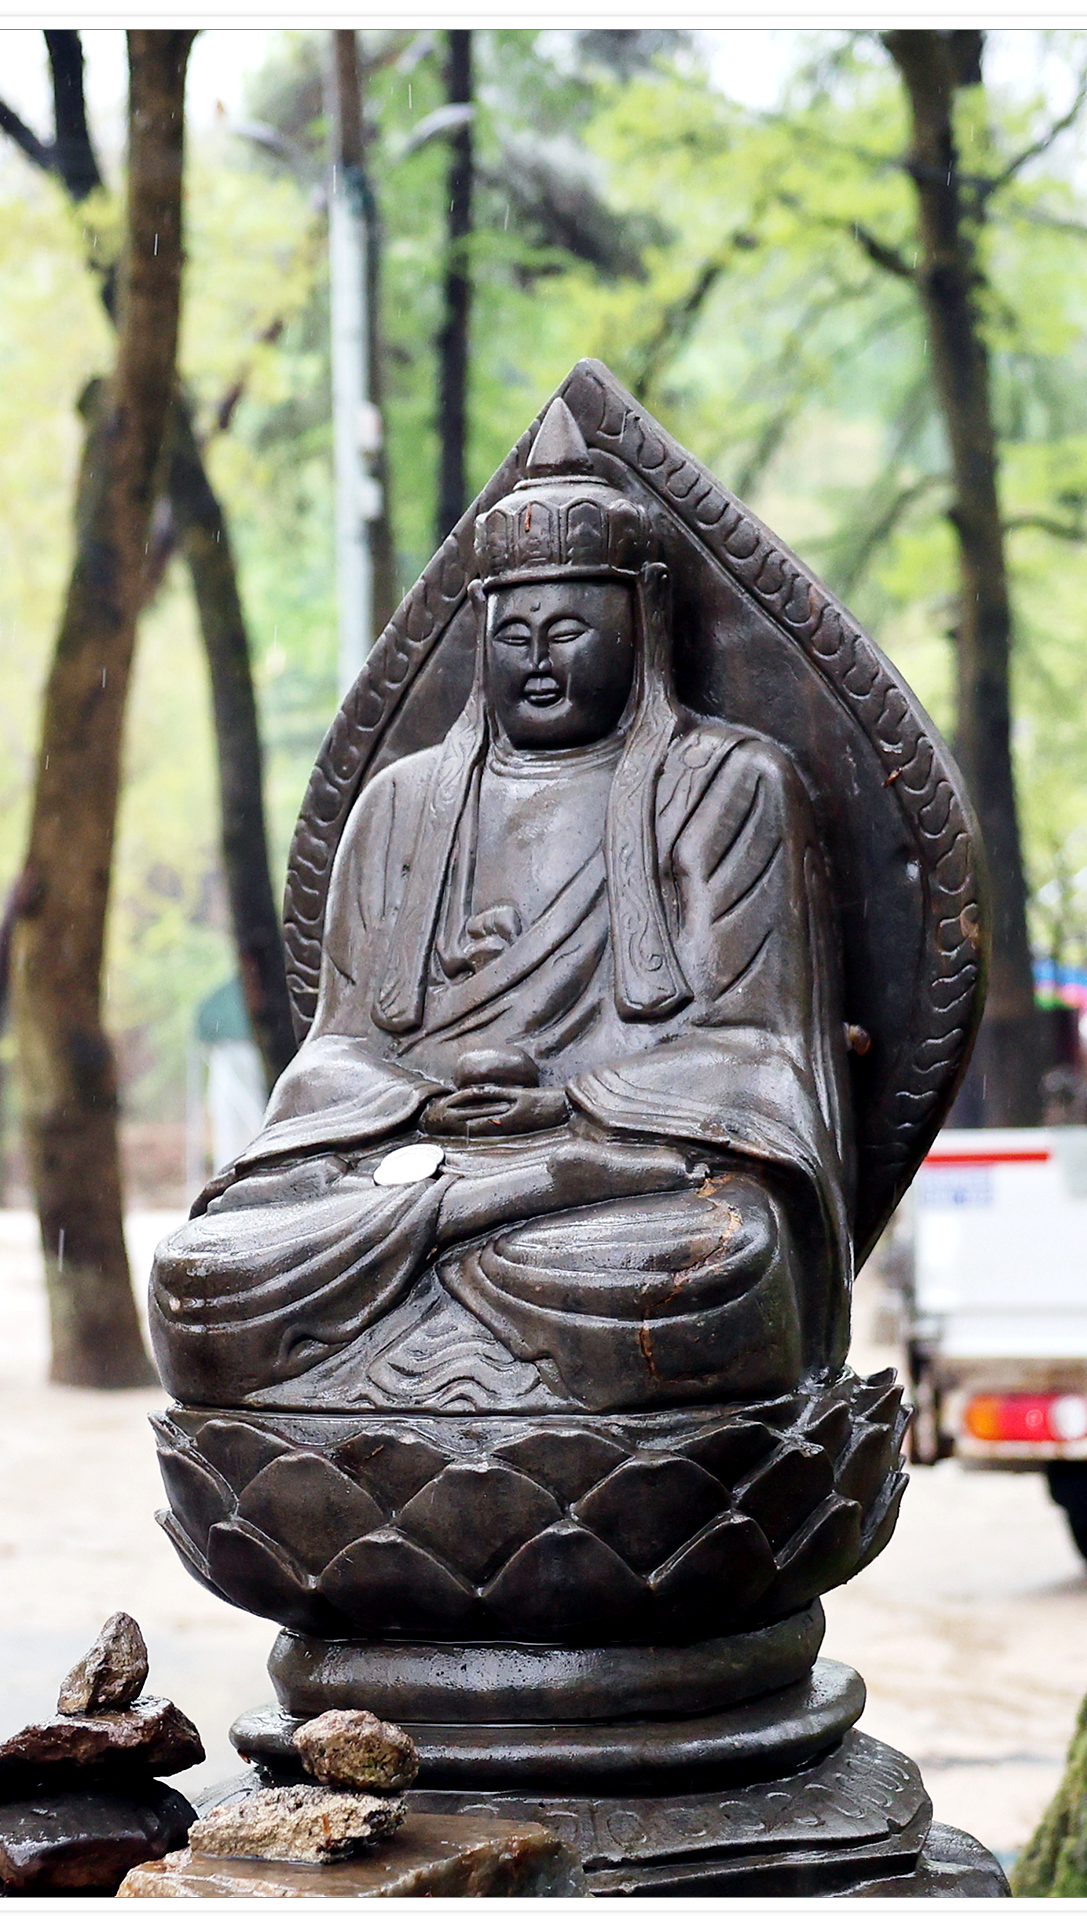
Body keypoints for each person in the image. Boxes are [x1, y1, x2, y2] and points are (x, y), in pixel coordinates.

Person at [148, 399, 853, 1416]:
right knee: (201, 1280)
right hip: (407, 1172)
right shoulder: (397, 807)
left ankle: (455, 1262)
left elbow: (758, 1049)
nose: (538, 660)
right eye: (512, 634)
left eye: (568, 630)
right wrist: (418, 1104)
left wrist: (566, 1108)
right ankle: (459, 1248)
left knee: (715, 1266)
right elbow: (335, 1050)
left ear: (643, 622)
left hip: (611, 1181)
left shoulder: (726, 785)